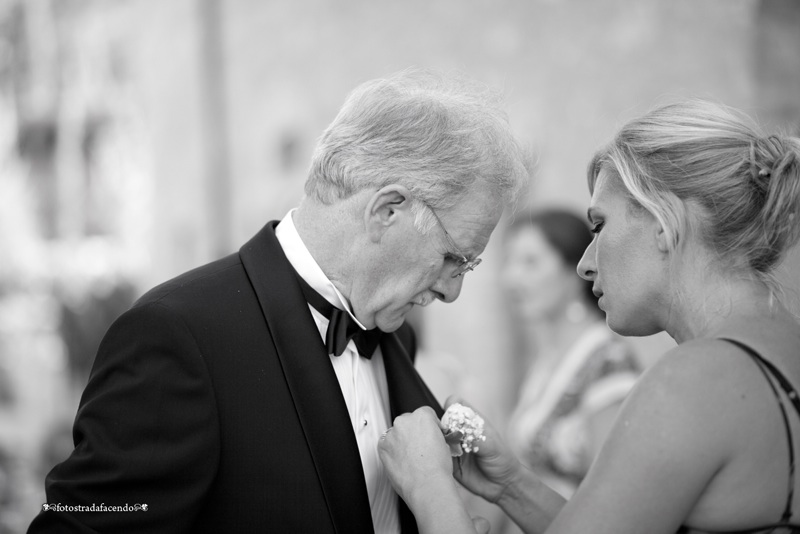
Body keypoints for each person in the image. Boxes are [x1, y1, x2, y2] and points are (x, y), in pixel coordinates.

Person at [28, 69, 529, 533]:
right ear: (387, 210)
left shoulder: (395, 332)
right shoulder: (178, 335)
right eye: (452, 258)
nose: (452, 289)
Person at [378, 98, 800, 534]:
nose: (585, 263)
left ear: (664, 219)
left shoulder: (695, 378)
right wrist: (511, 486)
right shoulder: (779, 352)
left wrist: (428, 486)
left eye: (599, 226)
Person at [501, 209, 640, 500]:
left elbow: (613, 491)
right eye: (509, 261)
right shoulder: (546, 360)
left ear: (572, 269)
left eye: (530, 262)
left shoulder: (608, 361)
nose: (512, 278)